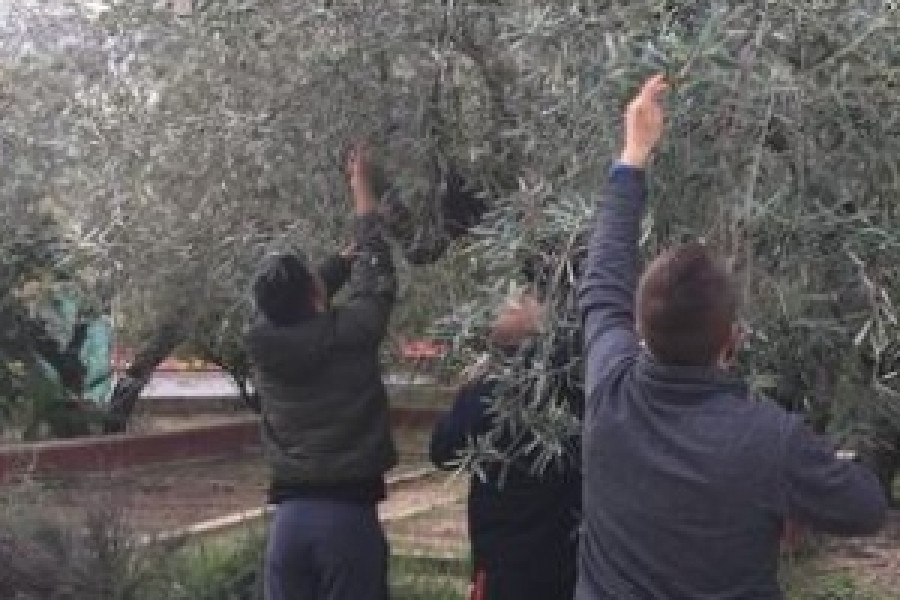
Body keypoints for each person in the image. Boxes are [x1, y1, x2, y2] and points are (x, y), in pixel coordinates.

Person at [576, 75, 887, 599]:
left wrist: (632, 156)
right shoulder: (769, 439)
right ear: (733, 340)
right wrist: (833, 462)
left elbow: (603, 279)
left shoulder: (610, 392)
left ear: (638, 327)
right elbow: (866, 508)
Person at [246, 142, 397, 600]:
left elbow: (293, 306)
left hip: (289, 526)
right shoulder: (353, 333)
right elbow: (378, 282)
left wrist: (335, 267)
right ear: (315, 297)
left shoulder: (261, 344)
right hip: (347, 521)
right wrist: (363, 197)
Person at [430, 291, 582, 600]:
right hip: (565, 561)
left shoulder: (484, 394)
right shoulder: (571, 393)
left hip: (501, 563)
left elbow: (442, 451)